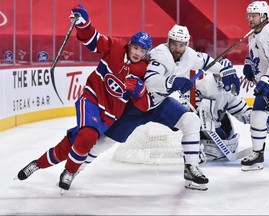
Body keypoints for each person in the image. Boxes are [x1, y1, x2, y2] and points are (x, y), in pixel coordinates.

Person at [72, 25, 241, 191]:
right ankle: (75, 169)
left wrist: (227, 71)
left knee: (191, 120)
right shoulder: (160, 55)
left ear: (186, 45)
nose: (177, 48)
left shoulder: (189, 55)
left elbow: (208, 61)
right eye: (174, 43)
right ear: (168, 41)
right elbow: (152, 82)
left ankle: (191, 168)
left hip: (160, 104)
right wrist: (174, 82)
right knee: (107, 141)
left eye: (181, 45)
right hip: (138, 104)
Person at [16, 5, 152, 191]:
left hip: (110, 116)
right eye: (135, 47)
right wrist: (84, 24)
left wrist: (140, 90)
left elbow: (144, 105)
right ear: (129, 45)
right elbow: (94, 40)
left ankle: (37, 164)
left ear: (146, 54)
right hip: (91, 98)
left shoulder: (145, 71)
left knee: (71, 144)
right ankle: (70, 171)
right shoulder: (115, 47)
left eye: (142, 51)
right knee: (88, 135)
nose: (137, 53)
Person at [240, 1, 269, 171]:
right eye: (249, 16)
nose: (250, 19)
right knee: (257, 117)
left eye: (253, 16)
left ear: (264, 16)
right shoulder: (253, 34)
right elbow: (257, 54)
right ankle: (258, 155)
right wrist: (248, 64)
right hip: (265, 83)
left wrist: (266, 80)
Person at [195, 59, 269, 161]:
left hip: (213, 121)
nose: (223, 78)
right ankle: (196, 146)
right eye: (220, 74)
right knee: (220, 135)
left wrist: (258, 118)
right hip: (200, 125)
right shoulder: (205, 86)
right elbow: (200, 113)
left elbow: (240, 110)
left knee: (228, 134)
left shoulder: (228, 89)